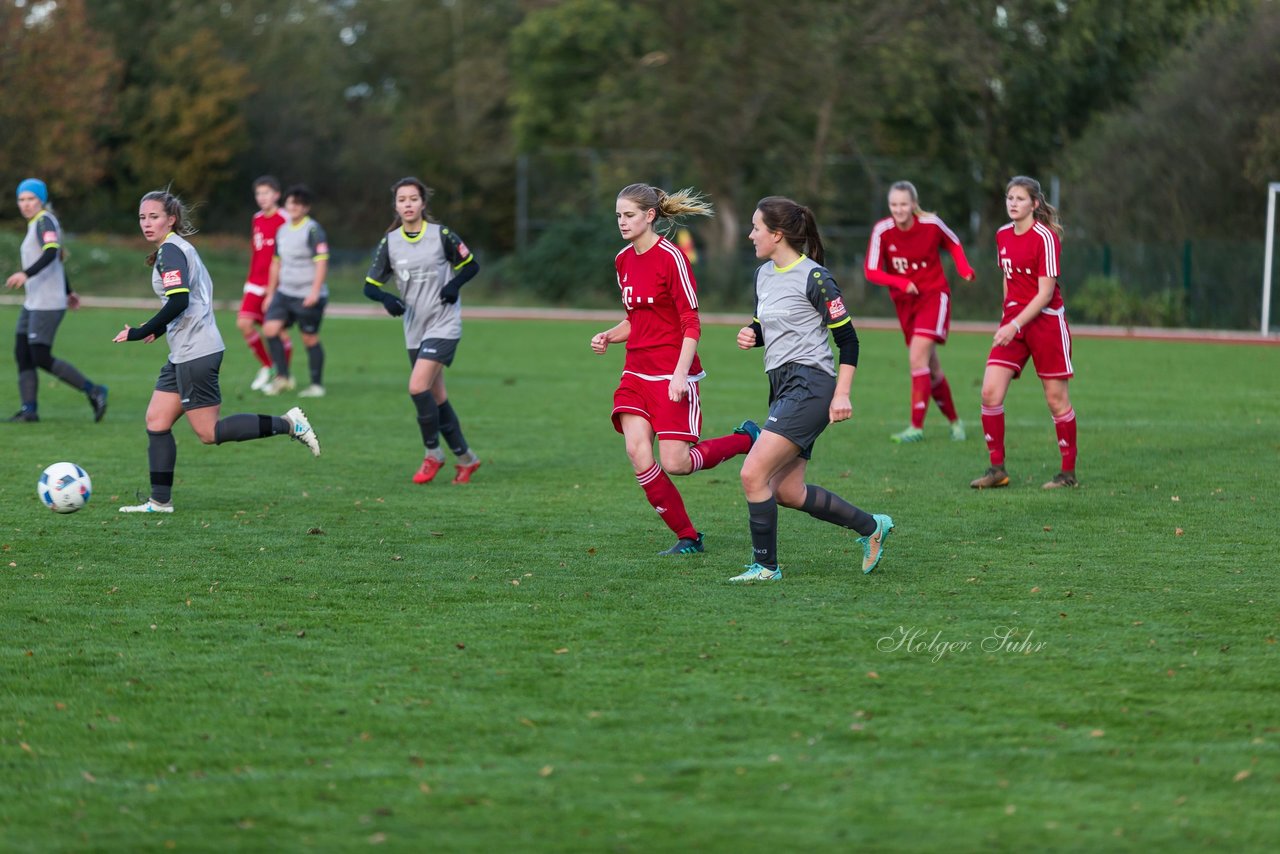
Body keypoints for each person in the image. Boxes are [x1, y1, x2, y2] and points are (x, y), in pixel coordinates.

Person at [112, 188, 320, 514]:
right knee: (156, 419)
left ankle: (289, 423)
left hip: (197, 352)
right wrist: (163, 328)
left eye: (154, 216)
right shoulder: (177, 248)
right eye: (142, 217)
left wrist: (142, 331)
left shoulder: (171, 251)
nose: (147, 223)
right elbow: (186, 301)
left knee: (209, 432)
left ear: (171, 219)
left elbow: (179, 299)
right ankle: (160, 501)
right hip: (183, 351)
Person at [731, 196, 893, 582]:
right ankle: (872, 527)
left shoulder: (816, 277)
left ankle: (765, 567)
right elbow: (766, 321)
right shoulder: (763, 275)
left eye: (756, 227)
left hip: (812, 385)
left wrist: (843, 393)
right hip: (782, 385)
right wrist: (752, 333)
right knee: (787, 491)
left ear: (777, 234)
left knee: (752, 473)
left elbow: (849, 341)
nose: (750, 234)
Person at [590, 183, 758, 556]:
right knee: (637, 451)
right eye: (618, 215)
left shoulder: (672, 258)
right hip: (635, 372)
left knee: (676, 462)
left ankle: (747, 440)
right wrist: (609, 335)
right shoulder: (622, 260)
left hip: (671, 373)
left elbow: (690, 322)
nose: (622, 221)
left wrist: (680, 374)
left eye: (629, 215)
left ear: (650, 216)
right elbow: (636, 320)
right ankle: (688, 536)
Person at [363, 177, 483, 484]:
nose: (408, 204)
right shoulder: (390, 242)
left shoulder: (440, 235)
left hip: (444, 324)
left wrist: (454, 285)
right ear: (396, 205)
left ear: (423, 203)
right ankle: (467, 459)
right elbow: (370, 286)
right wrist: (386, 298)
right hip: (414, 328)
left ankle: (433, 454)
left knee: (417, 387)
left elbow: (471, 265)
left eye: (413, 199)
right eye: (402, 199)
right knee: (436, 396)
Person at [970, 175, 1078, 490]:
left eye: (1019, 198)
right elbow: (1008, 279)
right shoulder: (1002, 234)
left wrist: (1014, 324)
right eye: (1009, 198)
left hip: (1045, 323)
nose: (1013, 203)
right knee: (989, 392)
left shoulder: (1045, 237)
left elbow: (1045, 294)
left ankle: (1067, 474)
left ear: (1034, 203)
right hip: (1015, 322)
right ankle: (997, 470)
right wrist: (1008, 316)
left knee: (1056, 400)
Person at [864, 180, 974, 443]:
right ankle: (956, 423)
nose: (899, 209)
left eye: (903, 204)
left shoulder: (931, 225)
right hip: (906, 303)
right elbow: (871, 271)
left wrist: (964, 269)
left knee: (917, 357)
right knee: (931, 368)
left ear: (913, 204)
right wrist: (900, 282)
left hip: (934, 296)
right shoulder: (883, 230)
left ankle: (916, 427)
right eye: (894, 204)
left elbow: (954, 244)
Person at [5, 178, 108, 423]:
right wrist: (69, 291)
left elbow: (52, 252)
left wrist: (25, 273)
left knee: (39, 356)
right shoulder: (35, 224)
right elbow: (58, 260)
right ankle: (29, 410)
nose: (26, 204)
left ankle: (94, 391)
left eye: (31, 199)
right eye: (22, 199)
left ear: (41, 199)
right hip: (34, 301)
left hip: (47, 303)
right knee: (22, 352)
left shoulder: (44, 221)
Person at [262, 184, 328, 397]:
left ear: (306, 208)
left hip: (307, 293)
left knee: (309, 338)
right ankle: (283, 378)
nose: (295, 207)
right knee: (270, 329)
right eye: (292, 203)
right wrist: (271, 293)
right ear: (286, 204)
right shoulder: (282, 230)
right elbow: (276, 263)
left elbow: (321, 261)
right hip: (285, 292)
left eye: (299, 204)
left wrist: (315, 291)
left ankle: (316, 385)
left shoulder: (313, 230)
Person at [236, 176, 292, 391]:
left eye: (266, 193)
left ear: (277, 195)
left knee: (278, 332)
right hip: (255, 282)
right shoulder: (257, 219)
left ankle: (283, 375)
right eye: (258, 193)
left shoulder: (284, 219)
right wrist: (249, 277)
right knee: (244, 323)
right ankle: (268, 366)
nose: (262, 198)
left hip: (277, 284)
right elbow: (257, 252)